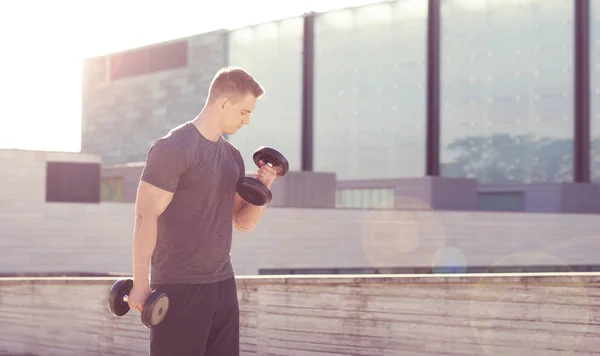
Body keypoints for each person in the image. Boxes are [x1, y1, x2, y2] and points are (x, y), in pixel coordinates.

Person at [126, 66, 277, 356]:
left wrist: (263, 189)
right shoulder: (174, 148)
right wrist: (141, 284)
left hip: (222, 284)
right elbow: (146, 217)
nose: (247, 121)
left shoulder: (232, 157)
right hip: (179, 285)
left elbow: (242, 222)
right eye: (244, 112)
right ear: (223, 103)